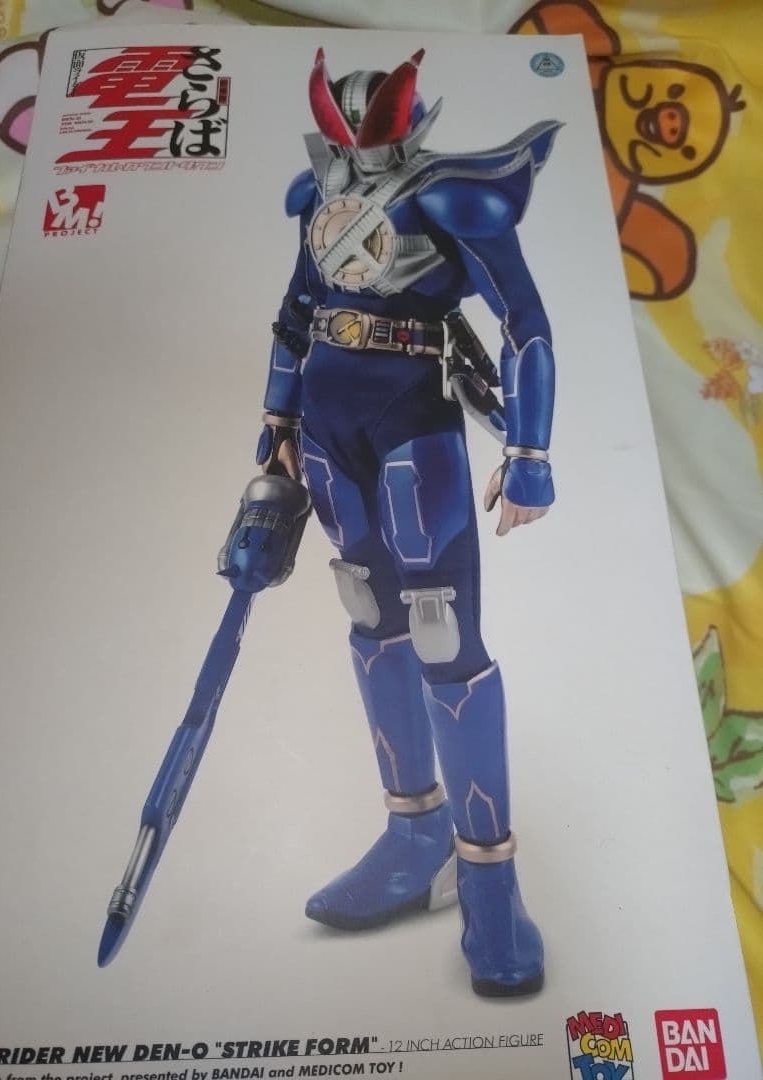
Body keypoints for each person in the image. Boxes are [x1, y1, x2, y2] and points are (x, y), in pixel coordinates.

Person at [257, 47, 558, 997]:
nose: (356, 149)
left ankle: (490, 881)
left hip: (411, 424)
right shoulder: (315, 194)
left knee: (442, 636)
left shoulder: (453, 199)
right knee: (368, 616)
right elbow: (295, 313)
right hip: (327, 423)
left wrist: (531, 453)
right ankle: (412, 832)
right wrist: (275, 426)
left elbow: (525, 324)